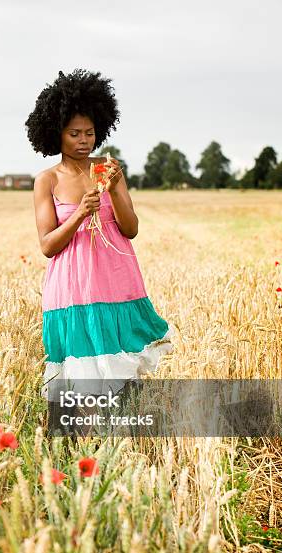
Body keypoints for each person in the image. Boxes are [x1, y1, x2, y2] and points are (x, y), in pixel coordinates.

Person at [25, 68, 176, 411]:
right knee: (81, 372)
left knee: (122, 373)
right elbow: (48, 245)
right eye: (74, 133)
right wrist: (79, 213)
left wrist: (117, 188)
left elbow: (131, 228)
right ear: (56, 134)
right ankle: (85, 439)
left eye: (90, 133)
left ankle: (123, 438)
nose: (84, 140)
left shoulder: (108, 169)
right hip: (73, 285)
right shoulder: (46, 181)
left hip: (116, 277)